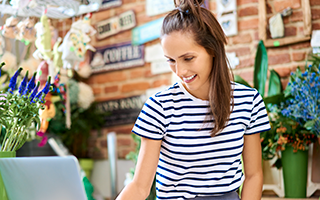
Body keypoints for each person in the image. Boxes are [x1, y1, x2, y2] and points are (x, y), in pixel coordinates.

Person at [116, 0, 270, 199]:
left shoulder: (248, 101)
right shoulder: (159, 107)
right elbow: (139, 187)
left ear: (212, 50)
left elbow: (253, 176)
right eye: (171, 60)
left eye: (188, 58)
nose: (180, 71)